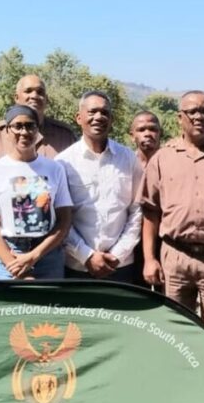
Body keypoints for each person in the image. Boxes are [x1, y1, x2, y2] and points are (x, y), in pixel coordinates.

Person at [140, 91, 204, 337]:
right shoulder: (162, 158)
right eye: (192, 111)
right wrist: (149, 258)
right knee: (175, 331)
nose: (199, 116)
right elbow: (150, 212)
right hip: (174, 256)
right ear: (179, 117)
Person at [56, 91, 143, 282]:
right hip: (77, 267)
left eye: (104, 113)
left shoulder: (128, 158)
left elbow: (136, 211)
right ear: (79, 118)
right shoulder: (63, 163)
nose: (98, 117)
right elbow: (60, 217)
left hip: (121, 266)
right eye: (92, 111)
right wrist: (86, 255)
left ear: (111, 119)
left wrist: (118, 255)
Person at [0, 105, 73, 280]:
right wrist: (13, 264)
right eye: (18, 126)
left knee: (49, 307)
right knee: (12, 307)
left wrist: (34, 256)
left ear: (38, 130)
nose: (24, 132)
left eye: (30, 126)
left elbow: (64, 220)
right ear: (8, 131)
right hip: (10, 255)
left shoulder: (54, 169)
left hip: (48, 255)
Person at [0, 74, 77, 162]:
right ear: (16, 97)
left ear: (46, 99)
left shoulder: (65, 135)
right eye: (28, 91)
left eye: (40, 92)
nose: (34, 96)